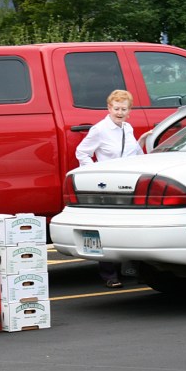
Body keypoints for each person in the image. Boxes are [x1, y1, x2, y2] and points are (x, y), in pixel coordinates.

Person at [75, 89, 143, 288]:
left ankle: (133, 269)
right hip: (107, 184)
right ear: (109, 108)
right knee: (107, 229)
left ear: (129, 111)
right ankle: (109, 274)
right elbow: (82, 152)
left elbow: (136, 152)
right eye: (116, 108)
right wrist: (95, 172)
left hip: (128, 183)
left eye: (123, 109)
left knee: (131, 227)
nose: (119, 112)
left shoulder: (127, 128)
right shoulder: (100, 129)